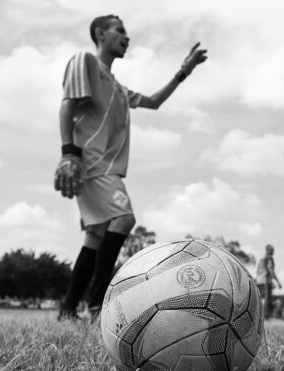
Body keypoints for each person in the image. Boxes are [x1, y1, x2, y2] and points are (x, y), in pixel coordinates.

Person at [54, 15, 207, 321]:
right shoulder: (84, 61)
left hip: (105, 168)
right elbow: (67, 104)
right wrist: (68, 153)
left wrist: (183, 72)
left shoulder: (119, 89)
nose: (126, 37)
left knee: (96, 235)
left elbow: (153, 101)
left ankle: (69, 309)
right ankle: (97, 305)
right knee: (124, 218)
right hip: (90, 164)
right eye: (119, 31)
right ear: (100, 33)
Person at [255, 244, 281, 318]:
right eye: (272, 250)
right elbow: (270, 270)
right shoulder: (269, 258)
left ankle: (259, 316)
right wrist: (278, 281)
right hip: (265, 280)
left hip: (259, 281)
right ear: (269, 250)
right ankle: (263, 317)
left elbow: (257, 271)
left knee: (260, 299)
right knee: (265, 299)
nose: (273, 252)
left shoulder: (261, 258)